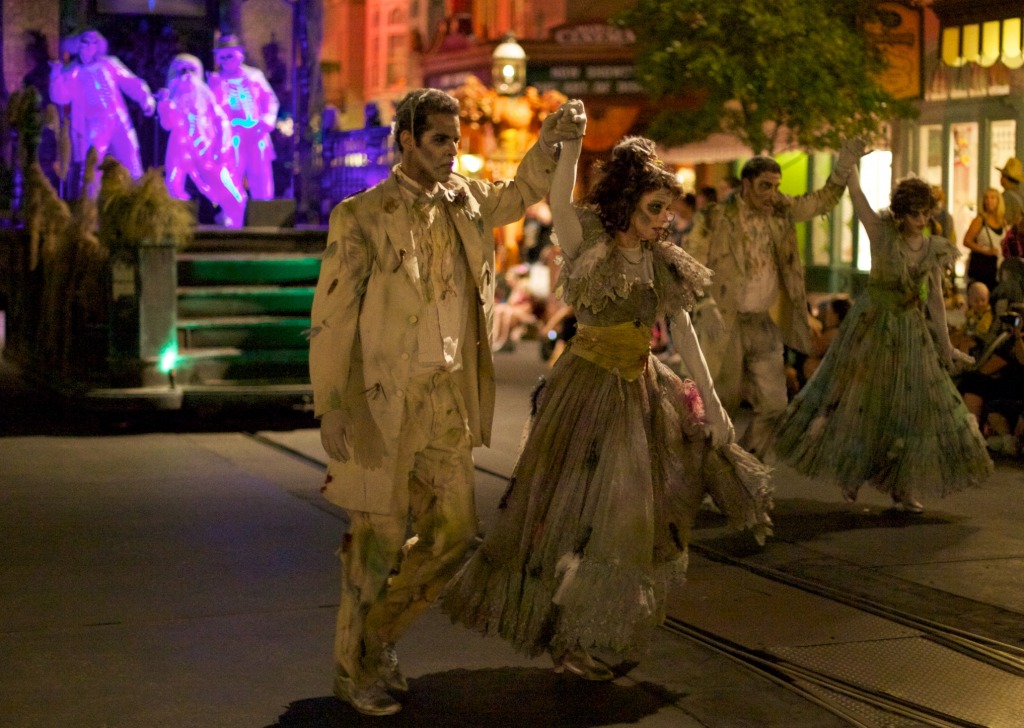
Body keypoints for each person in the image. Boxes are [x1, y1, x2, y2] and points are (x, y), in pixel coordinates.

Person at [443, 132, 772, 678]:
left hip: (642, 388)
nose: (665, 220)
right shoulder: (590, 245)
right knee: (575, 514)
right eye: (655, 208)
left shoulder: (661, 260)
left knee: (626, 517)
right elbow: (559, 197)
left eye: (666, 209)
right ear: (626, 205)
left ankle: (579, 631)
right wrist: (571, 144)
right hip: (588, 390)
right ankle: (565, 635)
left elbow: (683, 329)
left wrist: (713, 405)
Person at [307, 88, 586, 716]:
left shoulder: (466, 198)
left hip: (447, 395)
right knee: (376, 539)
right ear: (406, 139)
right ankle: (354, 669)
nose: (451, 150)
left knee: (455, 534)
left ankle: (375, 639)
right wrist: (332, 403)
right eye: (439, 139)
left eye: (455, 140)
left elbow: (523, 189)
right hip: (383, 398)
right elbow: (332, 315)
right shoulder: (361, 215)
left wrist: (549, 140)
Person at [772, 168, 992, 513]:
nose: (922, 220)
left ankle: (903, 486)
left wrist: (945, 344)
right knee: (863, 401)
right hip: (873, 326)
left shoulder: (932, 248)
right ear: (901, 213)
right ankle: (852, 471)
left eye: (926, 213)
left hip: (910, 329)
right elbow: (859, 199)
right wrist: (851, 170)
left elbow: (935, 298)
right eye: (915, 213)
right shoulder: (881, 234)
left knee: (911, 408)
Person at [687, 141, 863, 456]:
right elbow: (690, 263)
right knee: (720, 404)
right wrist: (703, 303)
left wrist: (844, 165)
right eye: (765, 186)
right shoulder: (715, 217)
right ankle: (710, 469)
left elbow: (820, 201)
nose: (772, 193)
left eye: (776, 186)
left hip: (762, 321)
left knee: (774, 406)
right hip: (724, 321)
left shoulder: (780, 211)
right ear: (745, 184)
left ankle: (745, 465)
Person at [49, 28, 155, 195]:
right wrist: (56, 76)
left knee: (131, 157)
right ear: (77, 45)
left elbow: (130, 82)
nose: (89, 46)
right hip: (94, 122)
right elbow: (60, 97)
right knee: (92, 163)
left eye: (94, 42)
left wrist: (145, 99)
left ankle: (139, 200)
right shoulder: (72, 72)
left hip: (119, 118)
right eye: (85, 42)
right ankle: (89, 203)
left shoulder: (109, 64)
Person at [156, 54, 247, 228]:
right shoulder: (174, 96)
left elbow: (222, 120)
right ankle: (176, 222)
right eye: (182, 70)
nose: (187, 75)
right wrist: (164, 104)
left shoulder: (206, 95)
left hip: (206, 145)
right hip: (179, 146)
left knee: (223, 183)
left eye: (191, 70)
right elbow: (167, 124)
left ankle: (233, 218)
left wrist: (221, 147)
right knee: (173, 184)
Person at [208, 34, 280, 201]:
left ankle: (263, 206)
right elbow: (213, 109)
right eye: (222, 57)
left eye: (230, 56)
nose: (227, 61)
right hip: (233, 134)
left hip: (257, 132)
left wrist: (267, 120)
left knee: (260, 173)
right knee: (232, 171)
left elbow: (270, 99)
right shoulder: (217, 81)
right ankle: (233, 209)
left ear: (239, 54)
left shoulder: (254, 76)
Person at [963, 187, 1005, 290]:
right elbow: (967, 241)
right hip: (982, 267)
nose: (989, 201)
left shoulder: (1002, 221)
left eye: (992, 198)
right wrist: (985, 250)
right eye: (986, 198)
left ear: (998, 201)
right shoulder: (980, 220)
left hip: (998, 267)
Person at [951, 281, 995, 358]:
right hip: (970, 335)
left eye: (983, 300)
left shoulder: (987, 314)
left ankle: (963, 361)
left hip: (980, 339)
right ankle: (948, 356)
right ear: (969, 300)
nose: (980, 303)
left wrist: (970, 333)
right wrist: (962, 330)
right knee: (955, 337)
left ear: (988, 299)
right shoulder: (971, 312)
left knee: (964, 344)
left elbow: (983, 328)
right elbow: (967, 324)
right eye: (976, 301)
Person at [997, 157, 1024, 231]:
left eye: (1002, 176)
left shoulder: (1005, 196)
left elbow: (1005, 220)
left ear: (1006, 178)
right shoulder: (1021, 194)